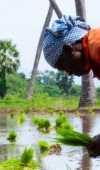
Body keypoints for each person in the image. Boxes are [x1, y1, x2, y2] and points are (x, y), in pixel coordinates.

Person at [42, 16, 100, 156]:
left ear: (69, 49)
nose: (69, 73)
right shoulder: (94, 55)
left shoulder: (97, 47)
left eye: (63, 67)